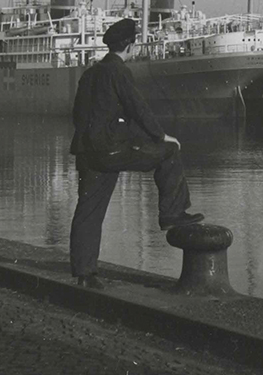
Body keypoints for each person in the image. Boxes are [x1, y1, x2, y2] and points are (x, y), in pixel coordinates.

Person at [69, 18, 203, 288]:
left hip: (87, 151)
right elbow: (137, 107)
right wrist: (160, 136)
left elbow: (77, 114)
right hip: (111, 150)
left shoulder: (90, 73)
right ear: (130, 46)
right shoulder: (119, 72)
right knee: (169, 152)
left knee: (88, 210)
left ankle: (85, 274)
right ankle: (172, 214)